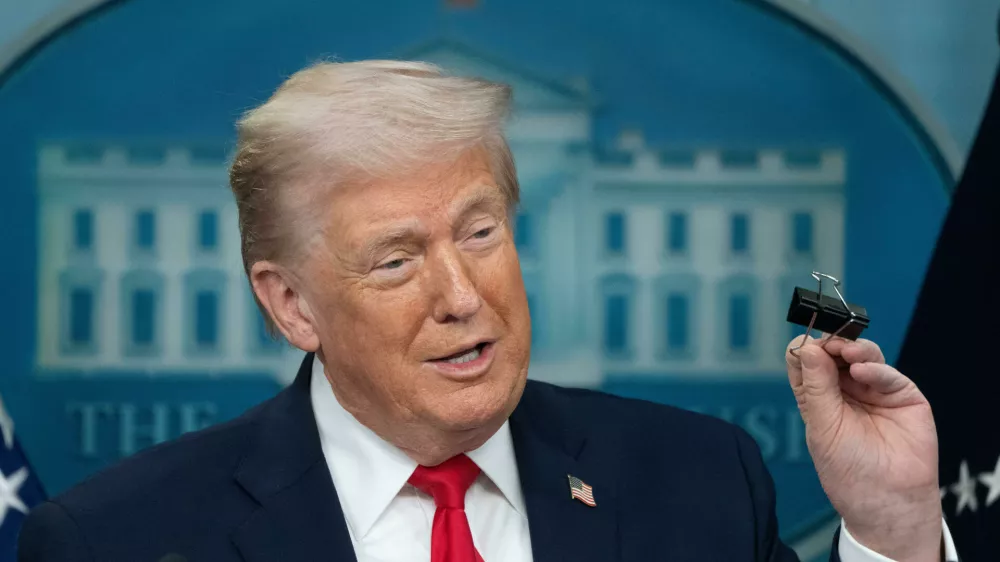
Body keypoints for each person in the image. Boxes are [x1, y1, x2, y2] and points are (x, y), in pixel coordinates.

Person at [18, 60, 957, 562]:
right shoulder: (119, 540)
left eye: (479, 233)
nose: (462, 298)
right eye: (396, 260)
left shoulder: (699, 482)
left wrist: (894, 533)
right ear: (292, 304)